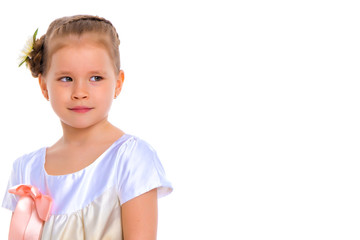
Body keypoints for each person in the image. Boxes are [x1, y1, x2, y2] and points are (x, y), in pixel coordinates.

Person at [2, 15, 172, 240]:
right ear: (44, 86)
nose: (80, 92)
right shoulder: (26, 170)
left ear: (118, 83)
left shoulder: (131, 159)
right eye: (66, 79)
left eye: (95, 77)